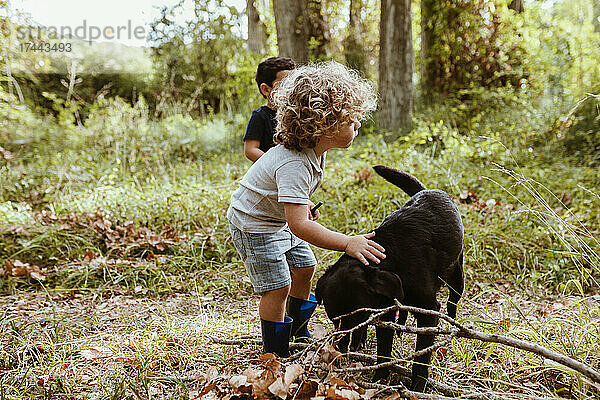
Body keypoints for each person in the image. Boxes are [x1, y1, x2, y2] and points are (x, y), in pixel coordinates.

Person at [227, 61, 384, 358]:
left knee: (305, 266)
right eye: (352, 121)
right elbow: (300, 225)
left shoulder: (312, 152)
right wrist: (348, 242)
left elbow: (288, 194)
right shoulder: (295, 162)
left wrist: (302, 202)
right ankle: (276, 353)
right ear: (325, 125)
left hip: (277, 218)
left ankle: (298, 330)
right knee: (277, 286)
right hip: (254, 224)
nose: (358, 126)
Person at [244, 56, 296, 162]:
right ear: (266, 89)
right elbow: (250, 150)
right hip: (270, 175)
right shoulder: (260, 116)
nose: (292, 89)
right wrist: (274, 164)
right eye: (286, 85)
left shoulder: (296, 114)